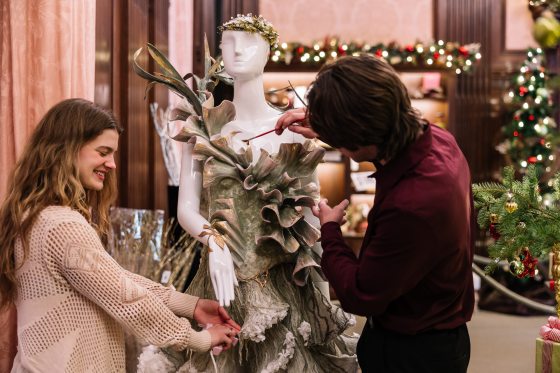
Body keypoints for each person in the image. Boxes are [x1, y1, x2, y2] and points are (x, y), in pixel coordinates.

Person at [165, 14, 358, 372]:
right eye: (228, 45)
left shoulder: (294, 130)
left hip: (285, 280)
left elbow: (304, 212)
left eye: (249, 43)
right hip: (221, 276)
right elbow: (186, 209)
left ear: (268, 51)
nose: (237, 52)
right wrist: (215, 242)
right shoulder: (203, 129)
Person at [0, 98, 240, 372]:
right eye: (103, 152)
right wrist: (198, 338)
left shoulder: (35, 215)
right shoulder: (61, 225)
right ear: (65, 150)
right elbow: (125, 297)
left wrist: (191, 305)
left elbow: (116, 279)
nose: (111, 164)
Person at [275, 54, 475, 373]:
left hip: (413, 355)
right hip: (434, 333)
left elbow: (359, 295)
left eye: (341, 142)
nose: (340, 150)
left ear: (363, 134)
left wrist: (330, 231)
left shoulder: (414, 204)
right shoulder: (437, 139)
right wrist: (326, 122)